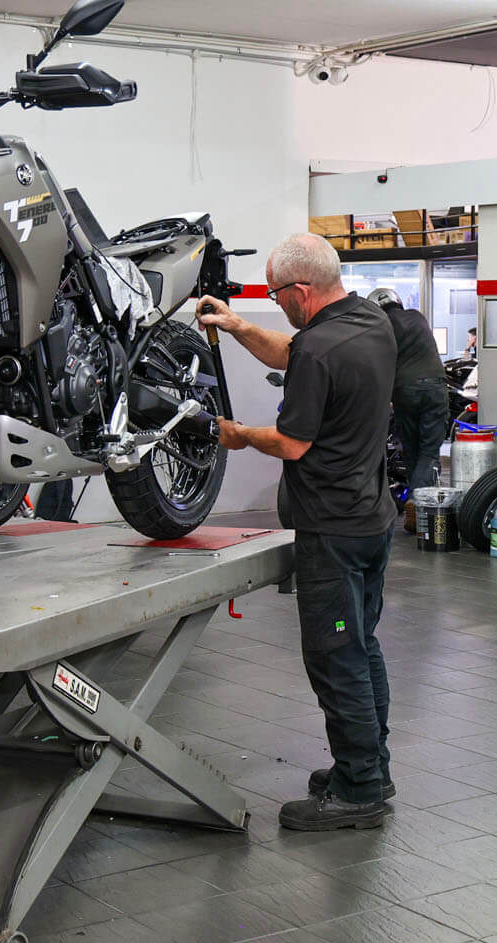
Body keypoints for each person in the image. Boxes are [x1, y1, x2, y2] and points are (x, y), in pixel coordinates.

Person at [196, 234, 398, 831]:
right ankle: (372, 767)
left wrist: (238, 435)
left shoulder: (317, 350)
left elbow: (291, 443)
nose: (276, 303)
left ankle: (358, 791)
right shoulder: (369, 322)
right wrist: (237, 326)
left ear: (301, 291)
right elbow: (293, 350)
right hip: (371, 519)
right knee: (361, 646)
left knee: (337, 658)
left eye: (276, 294)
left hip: (331, 531)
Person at [367, 288, 449, 492]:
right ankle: (419, 501)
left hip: (404, 390)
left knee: (412, 450)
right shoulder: (416, 316)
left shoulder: (380, 325)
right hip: (434, 387)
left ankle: (416, 498)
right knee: (428, 451)